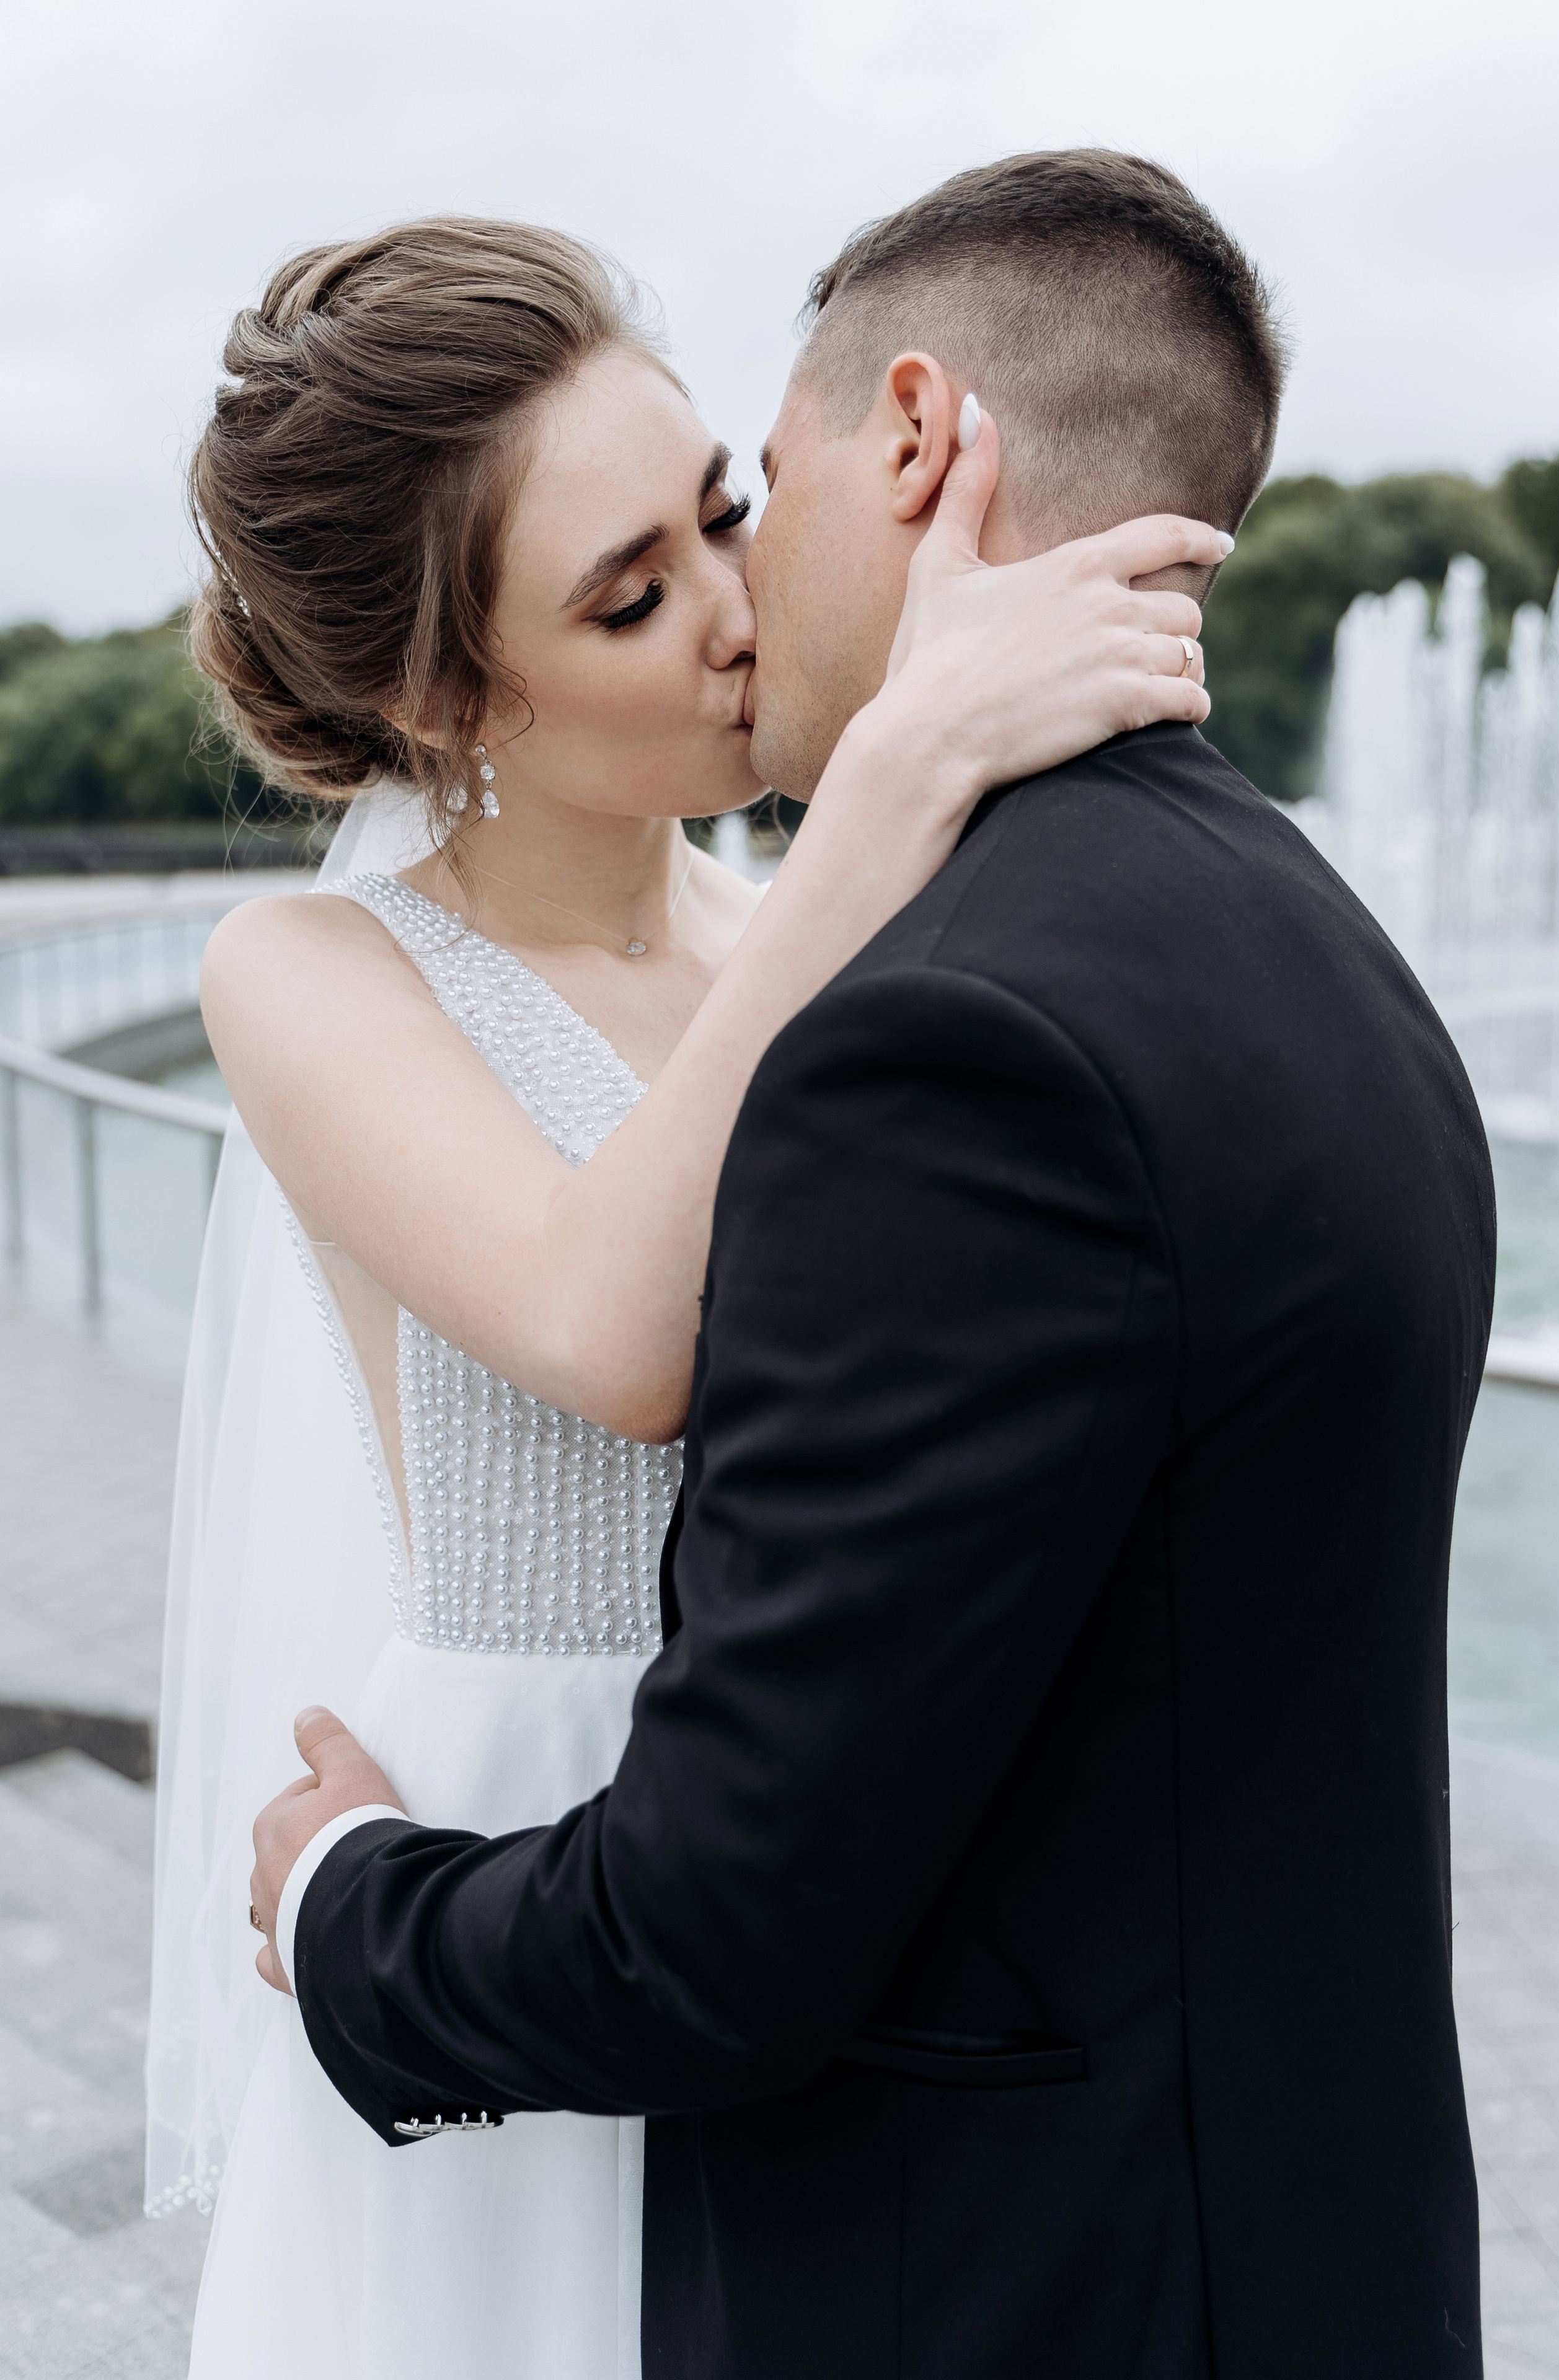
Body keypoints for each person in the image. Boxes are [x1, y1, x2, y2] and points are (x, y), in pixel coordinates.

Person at [252, 151, 1496, 2376]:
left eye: (722, 512)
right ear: (455, 705)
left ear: (908, 442)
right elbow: (605, 1328)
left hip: (743, 1930)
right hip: (524, 1854)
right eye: (624, 600)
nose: (729, 611)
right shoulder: (332, 966)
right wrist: (895, 775)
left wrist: (873, 815)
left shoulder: (911, 973)